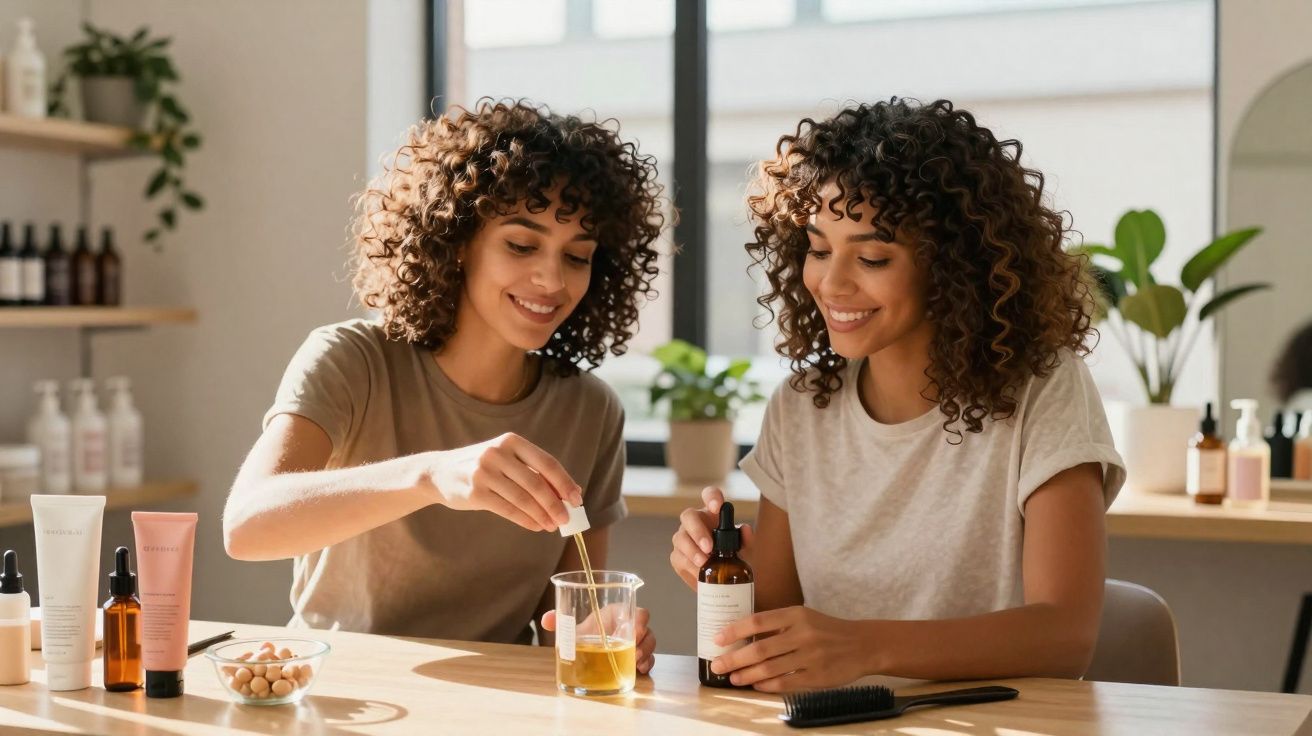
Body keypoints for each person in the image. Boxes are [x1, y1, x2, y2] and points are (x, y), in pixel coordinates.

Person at [670, 98, 1126, 691]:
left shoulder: (1042, 390)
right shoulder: (801, 405)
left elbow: (1064, 637)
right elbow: (774, 631)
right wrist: (718, 573)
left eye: (873, 256)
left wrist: (865, 647)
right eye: (817, 249)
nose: (831, 283)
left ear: (954, 266)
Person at [224, 99, 664, 674]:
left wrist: (603, 629)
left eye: (577, 256)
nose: (552, 280)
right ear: (455, 241)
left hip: (494, 701)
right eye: (521, 245)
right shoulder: (353, 361)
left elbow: (569, 612)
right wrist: (431, 475)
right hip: (340, 690)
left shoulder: (590, 411)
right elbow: (247, 526)